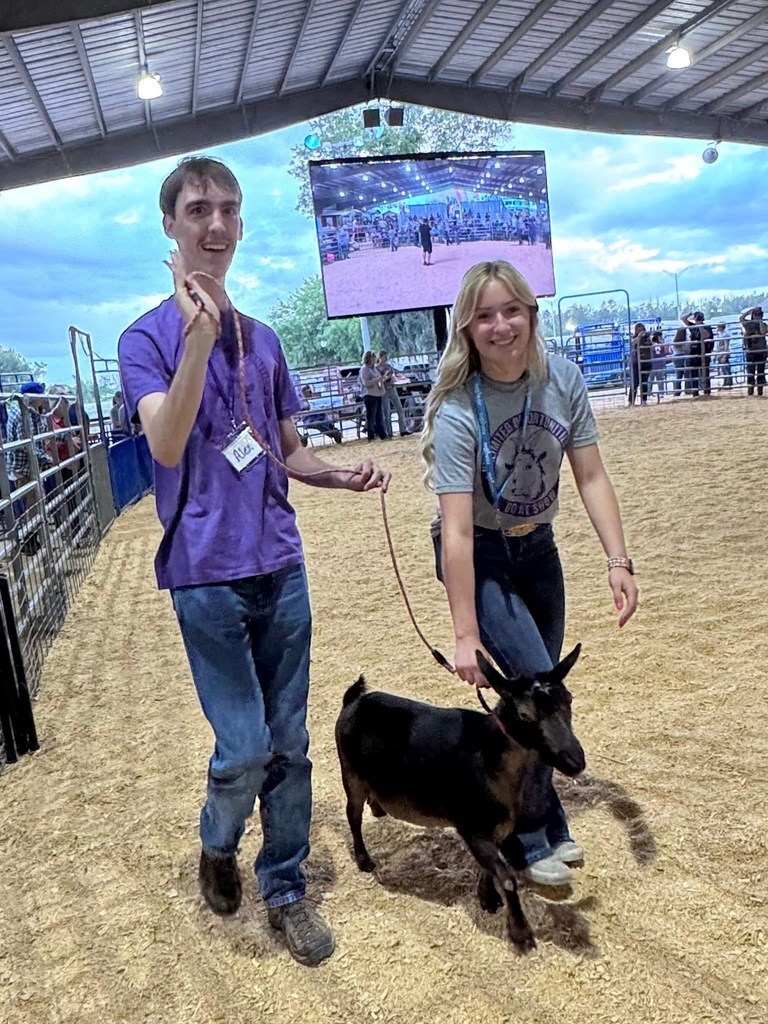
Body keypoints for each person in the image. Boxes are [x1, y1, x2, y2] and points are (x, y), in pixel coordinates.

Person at [117, 155, 390, 968]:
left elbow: (284, 449)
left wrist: (339, 476)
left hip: (280, 565)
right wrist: (197, 340)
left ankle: (286, 886)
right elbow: (166, 441)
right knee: (243, 747)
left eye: (229, 209)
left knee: (292, 743)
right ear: (169, 224)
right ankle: (216, 838)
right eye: (198, 209)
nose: (216, 225)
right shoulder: (146, 339)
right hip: (203, 574)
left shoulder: (265, 342)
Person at [420, 260, 638, 887]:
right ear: (467, 326)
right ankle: (530, 838)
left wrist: (617, 560)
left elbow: (590, 476)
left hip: (537, 548)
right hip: (481, 552)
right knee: (535, 693)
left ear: (532, 313)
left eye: (511, 309)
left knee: (542, 695)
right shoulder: (460, 410)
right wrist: (465, 633)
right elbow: (457, 532)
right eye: (484, 315)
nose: (500, 325)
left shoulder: (561, 379)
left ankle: (543, 824)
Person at [376, 351, 411, 438]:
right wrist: (386, 376)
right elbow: (378, 381)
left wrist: (395, 378)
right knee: (386, 411)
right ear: (380, 357)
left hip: (391, 388)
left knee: (399, 408)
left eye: (386, 356)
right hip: (383, 390)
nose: (386, 358)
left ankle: (403, 429)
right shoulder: (376, 368)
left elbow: (393, 375)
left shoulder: (388, 366)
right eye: (384, 357)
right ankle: (389, 432)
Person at [358, 351, 387, 441]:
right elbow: (365, 383)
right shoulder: (364, 369)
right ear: (368, 359)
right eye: (373, 357)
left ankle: (381, 433)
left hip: (377, 393)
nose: (375, 359)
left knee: (379, 415)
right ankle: (371, 435)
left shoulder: (374, 369)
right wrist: (378, 379)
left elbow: (378, 379)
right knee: (371, 416)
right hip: (369, 394)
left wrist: (384, 378)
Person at [739, 306, 767, 396]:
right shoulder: (748, 324)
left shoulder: (764, 324)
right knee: (750, 372)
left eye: (759, 315)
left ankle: (760, 392)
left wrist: (759, 322)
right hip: (751, 351)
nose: (757, 316)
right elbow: (741, 318)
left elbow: (763, 332)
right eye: (755, 314)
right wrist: (748, 312)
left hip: (761, 351)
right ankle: (750, 392)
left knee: (760, 372)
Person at [713, 323, 733, 390]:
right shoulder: (720, 334)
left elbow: (726, 345)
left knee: (726, 369)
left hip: (723, 353)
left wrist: (725, 355)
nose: (717, 328)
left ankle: (728, 383)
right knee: (723, 369)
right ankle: (726, 382)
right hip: (720, 353)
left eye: (718, 327)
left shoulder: (725, 334)